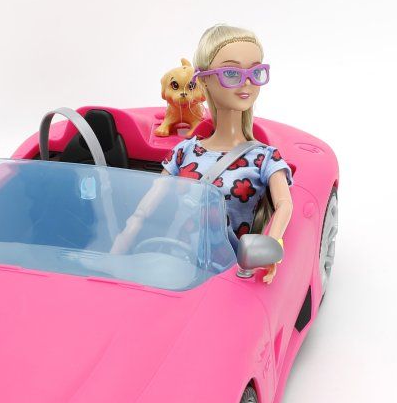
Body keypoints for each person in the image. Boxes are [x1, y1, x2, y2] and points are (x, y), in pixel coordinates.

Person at [111, 24, 294, 284]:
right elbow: (145, 209)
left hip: (225, 275)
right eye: (231, 73)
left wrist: (271, 247)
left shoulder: (264, 158)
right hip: (171, 262)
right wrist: (117, 250)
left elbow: (285, 204)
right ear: (204, 79)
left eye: (255, 72)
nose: (247, 83)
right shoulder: (185, 151)